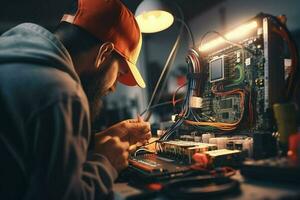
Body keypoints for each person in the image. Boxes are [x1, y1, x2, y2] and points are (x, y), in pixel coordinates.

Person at [0, 0, 151, 199]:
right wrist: (106, 163)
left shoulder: (14, 57)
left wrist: (92, 142)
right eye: (120, 73)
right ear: (103, 53)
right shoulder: (62, 93)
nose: (114, 87)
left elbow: (31, 149)